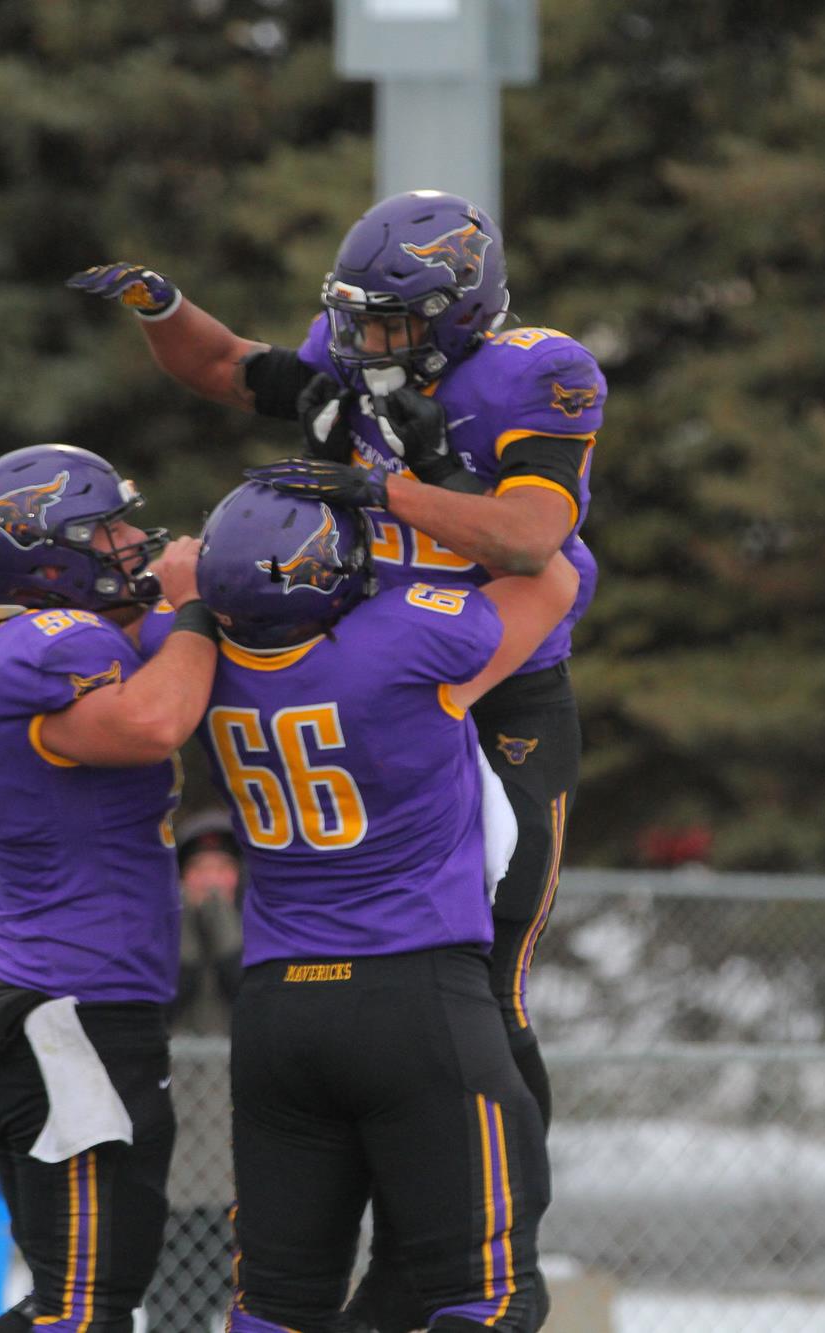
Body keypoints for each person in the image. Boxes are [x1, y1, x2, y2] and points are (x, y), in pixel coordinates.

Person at [71, 188, 606, 1135]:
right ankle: (403, 1193)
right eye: (354, 318)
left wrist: (385, 489)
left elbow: (531, 540)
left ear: (462, 314)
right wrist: (165, 309)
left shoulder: (541, 373)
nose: (364, 343)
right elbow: (234, 367)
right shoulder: (364, 355)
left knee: (491, 970)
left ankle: (508, 1215)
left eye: (389, 322)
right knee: (380, 962)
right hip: (384, 674)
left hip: (504, 684)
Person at [191, 478, 579, 1333]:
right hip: (413, 995)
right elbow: (550, 576)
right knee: (491, 1296)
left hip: (277, 1009)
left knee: (276, 1310)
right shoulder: (400, 637)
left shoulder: (202, 664)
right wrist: (405, 497)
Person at [0, 442, 219, 1333]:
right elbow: (155, 716)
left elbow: (146, 657)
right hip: (71, 1011)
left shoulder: (2, 631)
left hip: (49, 998)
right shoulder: (58, 642)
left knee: (76, 1298)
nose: (131, 539)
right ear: (43, 553)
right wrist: (197, 604)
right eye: (108, 526)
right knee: (91, 1305)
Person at [171, 808, 245, 1033]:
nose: (211, 880)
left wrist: (228, 940)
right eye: (199, 868)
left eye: (223, 868)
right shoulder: (156, 936)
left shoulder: (264, 934)